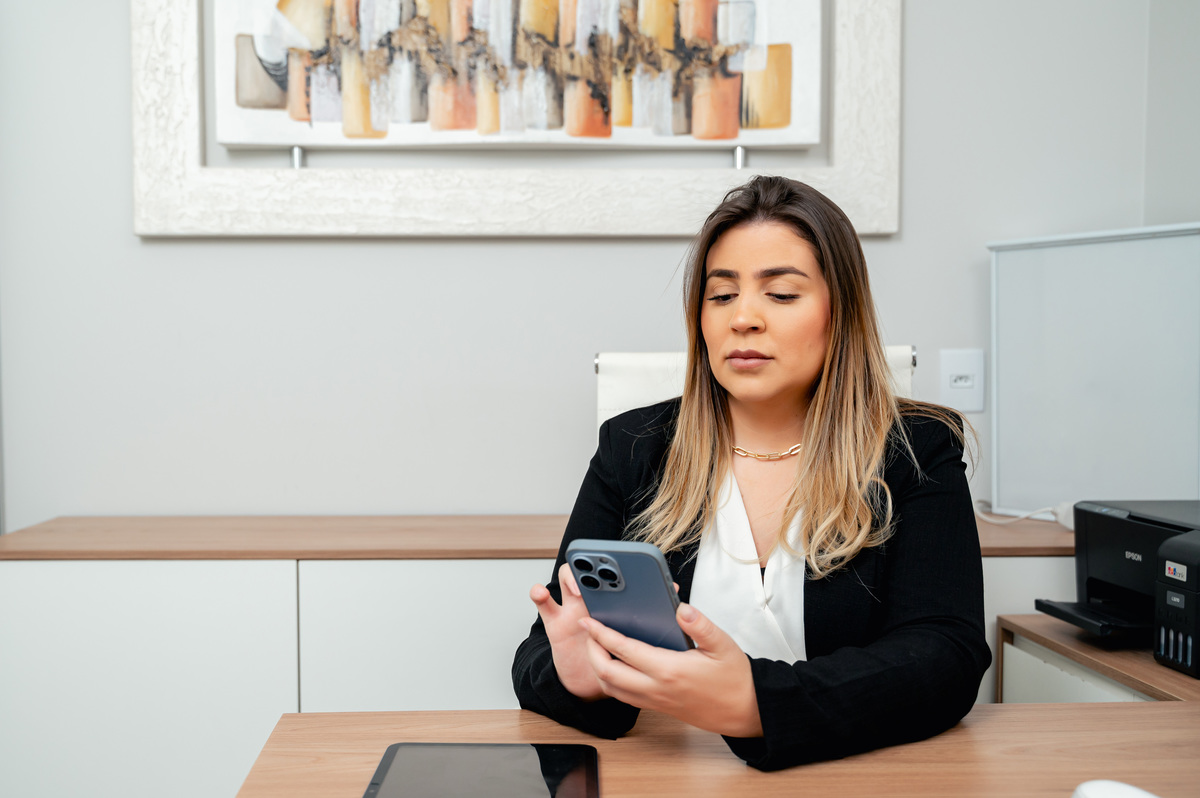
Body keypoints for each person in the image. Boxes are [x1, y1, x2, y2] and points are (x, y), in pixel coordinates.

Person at [511, 175, 991, 771]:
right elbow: (540, 651)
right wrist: (581, 679)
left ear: (839, 313)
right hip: (668, 776)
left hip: (853, 774)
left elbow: (946, 653)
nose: (744, 319)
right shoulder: (632, 448)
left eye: (782, 295)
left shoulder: (914, 450)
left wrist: (755, 705)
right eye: (721, 296)